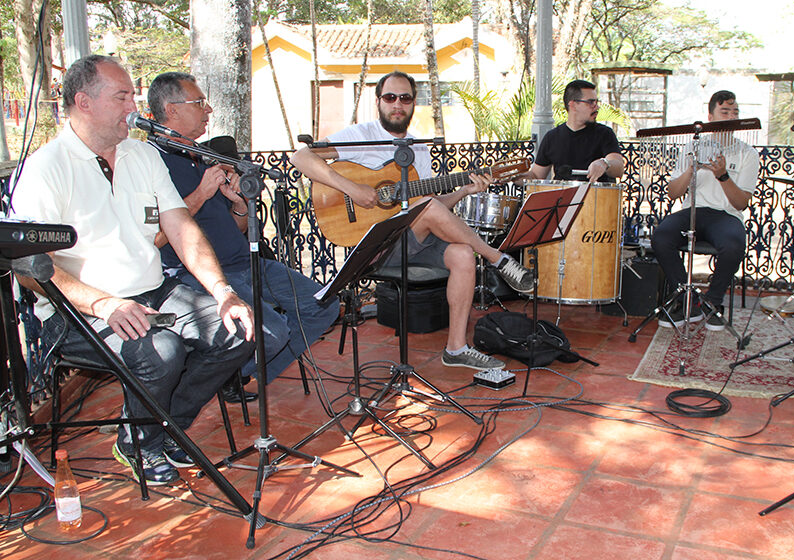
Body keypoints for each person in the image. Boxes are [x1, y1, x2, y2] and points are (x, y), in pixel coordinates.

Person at [10, 55, 255, 485]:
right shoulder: (45, 168)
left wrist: (222, 292)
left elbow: (179, 226)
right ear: (83, 102)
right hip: (77, 310)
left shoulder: (141, 154)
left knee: (239, 329)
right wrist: (105, 304)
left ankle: (163, 427)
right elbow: (32, 269)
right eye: (123, 96)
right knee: (162, 353)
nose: (134, 107)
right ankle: (139, 443)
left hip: (153, 291)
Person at [290, 71, 534, 371]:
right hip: (376, 244)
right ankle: (497, 258)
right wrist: (353, 188)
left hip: (413, 238)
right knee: (428, 207)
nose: (397, 105)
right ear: (378, 101)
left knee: (461, 253)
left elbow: (432, 207)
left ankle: (456, 348)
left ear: (413, 103)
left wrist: (463, 191)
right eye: (390, 97)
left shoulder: (418, 146)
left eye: (405, 98)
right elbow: (300, 157)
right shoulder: (359, 136)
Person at [146, 71, 340, 395]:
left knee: (323, 305)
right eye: (200, 103)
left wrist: (237, 205)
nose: (208, 110)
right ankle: (218, 372)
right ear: (171, 109)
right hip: (203, 275)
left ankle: (238, 374)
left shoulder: (200, 154)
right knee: (272, 334)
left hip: (246, 263)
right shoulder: (151, 162)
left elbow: (233, 227)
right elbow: (156, 237)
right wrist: (200, 195)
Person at [650, 90, 759, 331]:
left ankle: (713, 302)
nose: (731, 117)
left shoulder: (747, 153)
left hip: (725, 215)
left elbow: (741, 203)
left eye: (735, 112)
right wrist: (691, 169)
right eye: (725, 112)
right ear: (710, 116)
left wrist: (723, 176)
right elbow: (673, 193)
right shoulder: (692, 146)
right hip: (693, 212)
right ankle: (687, 299)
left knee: (734, 244)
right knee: (661, 236)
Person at [526, 79, 624, 183]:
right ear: (573, 105)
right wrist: (513, 176)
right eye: (590, 102)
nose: (597, 107)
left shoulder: (605, 134)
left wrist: (605, 163)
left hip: (597, 197)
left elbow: (618, 167)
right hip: (562, 198)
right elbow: (536, 175)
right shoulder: (552, 137)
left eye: (596, 102)